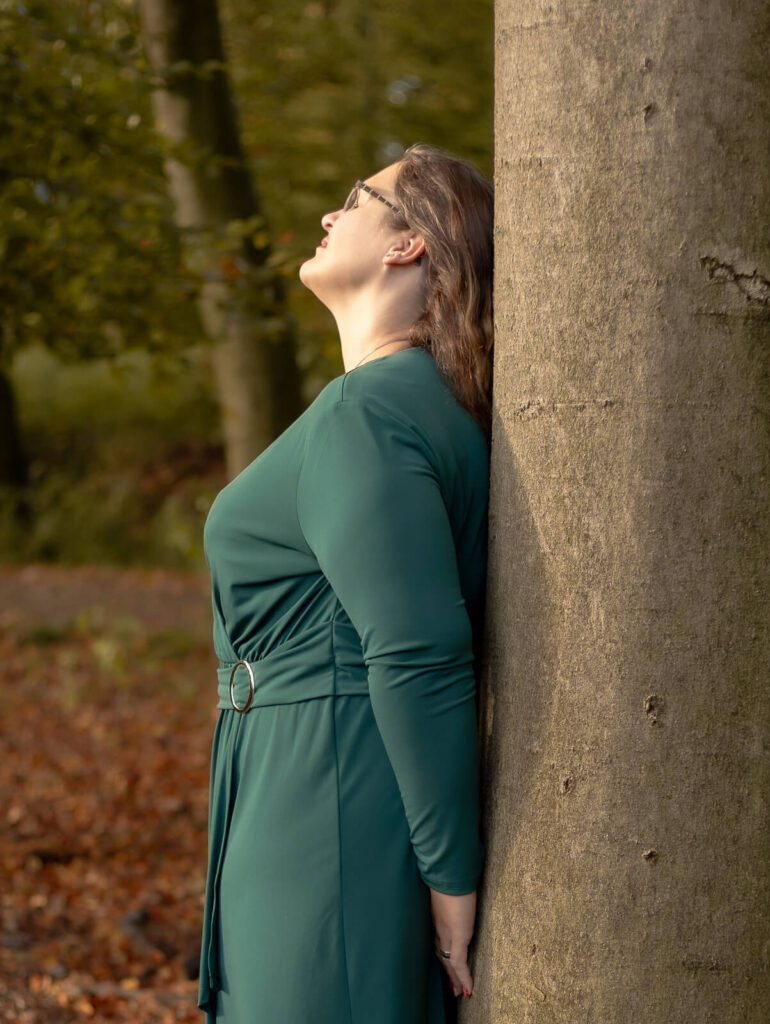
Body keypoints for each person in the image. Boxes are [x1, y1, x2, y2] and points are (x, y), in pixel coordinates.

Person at [197, 142, 494, 1024]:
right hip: (306, 784)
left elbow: (419, 651)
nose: (330, 216)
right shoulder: (401, 401)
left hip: (325, 799)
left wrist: (452, 878)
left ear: (409, 245)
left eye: (355, 201)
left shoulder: (371, 413)